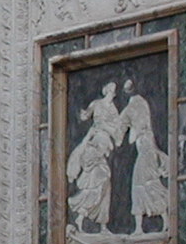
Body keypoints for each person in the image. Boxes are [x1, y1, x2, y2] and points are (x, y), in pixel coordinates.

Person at [67, 82, 124, 234]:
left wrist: (113, 132)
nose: (112, 91)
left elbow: (118, 132)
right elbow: (85, 116)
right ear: (106, 90)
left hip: (103, 149)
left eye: (114, 90)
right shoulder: (96, 104)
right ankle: (81, 216)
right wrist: (84, 115)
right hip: (94, 149)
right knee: (97, 184)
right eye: (110, 89)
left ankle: (102, 225)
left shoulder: (113, 110)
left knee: (105, 185)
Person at [120, 80, 170, 234]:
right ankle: (144, 226)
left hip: (146, 153)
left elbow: (125, 131)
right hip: (148, 152)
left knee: (143, 185)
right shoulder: (140, 105)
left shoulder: (133, 108)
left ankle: (143, 227)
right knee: (147, 186)